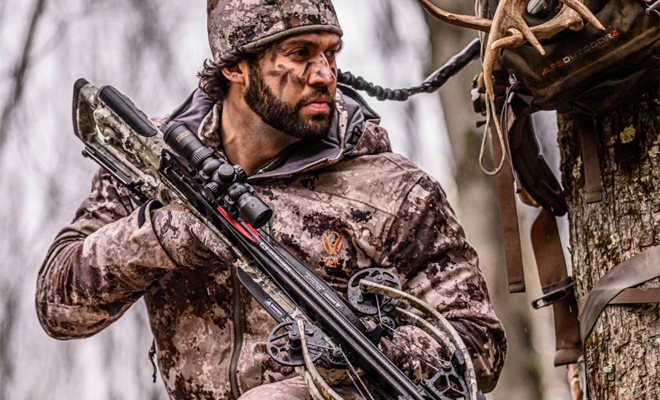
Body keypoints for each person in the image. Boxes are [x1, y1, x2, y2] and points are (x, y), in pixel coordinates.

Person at [36, 1, 507, 399]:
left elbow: (477, 348)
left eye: (330, 53)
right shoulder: (153, 166)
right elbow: (58, 308)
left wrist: (316, 385)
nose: (324, 75)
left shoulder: (396, 189)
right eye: (300, 54)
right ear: (234, 66)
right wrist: (163, 236)